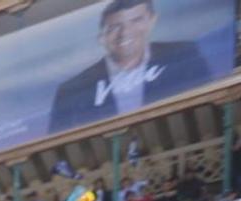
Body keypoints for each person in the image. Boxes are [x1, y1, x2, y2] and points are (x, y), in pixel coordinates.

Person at [47, 0, 214, 134]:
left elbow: (210, 112)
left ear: (152, 20)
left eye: (136, 20)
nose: (125, 32)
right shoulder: (71, 91)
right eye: (114, 27)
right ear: (101, 36)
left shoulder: (183, 55)